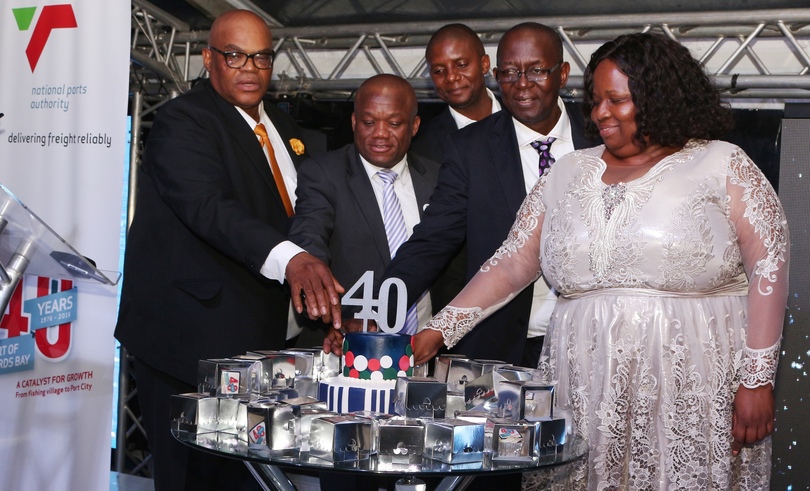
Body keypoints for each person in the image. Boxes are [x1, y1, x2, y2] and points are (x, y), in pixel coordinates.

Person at [419, 32, 789, 489]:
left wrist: (756, 381)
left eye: (617, 100)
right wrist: (439, 329)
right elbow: (512, 263)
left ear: (659, 99)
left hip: (694, 381)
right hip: (585, 383)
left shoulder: (722, 163)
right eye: (595, 100)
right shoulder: (569, 171)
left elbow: (769, 268)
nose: (599, 113)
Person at [114, 10, 342, 491]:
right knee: (192, 481)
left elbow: (303, 218)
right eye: (235, 55)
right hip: (187, 343)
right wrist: (293, 260)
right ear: (208, 58)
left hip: (257, 348)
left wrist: (324, 308)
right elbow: (208, 208)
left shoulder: (282, 126)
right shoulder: (184, 119)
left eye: (261, 57)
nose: (250, 68)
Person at [324, 23, 598, 368]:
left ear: (562, 74)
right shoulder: (471, 147)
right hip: (504, 343)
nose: (523, 83)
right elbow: (433, 239)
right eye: (510, 72)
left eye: (537, 71)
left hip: (592, 337)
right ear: (495, 74)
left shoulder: (599, 135)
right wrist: (375, 310)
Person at [289, 74, 441, 345]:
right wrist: (336, 319)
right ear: (354, 122)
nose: (380, 133)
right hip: (343, 345)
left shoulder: (437, 178)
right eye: (369, 122)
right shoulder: (324, 174)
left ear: (415, 126)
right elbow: (309, 239)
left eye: (394, 123)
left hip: (425, 348)